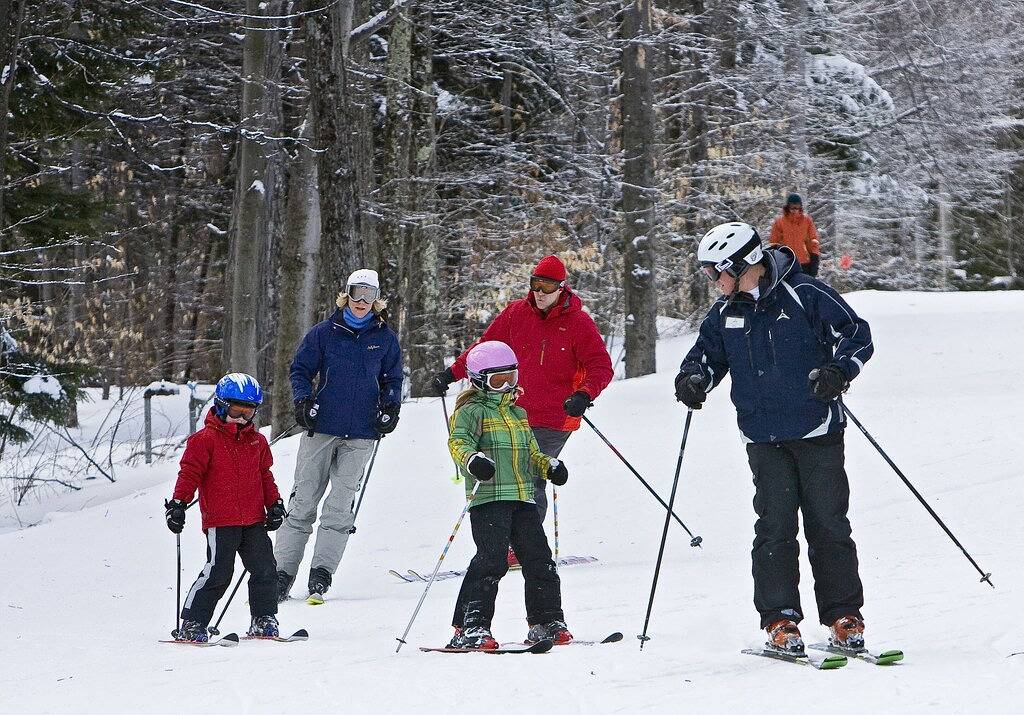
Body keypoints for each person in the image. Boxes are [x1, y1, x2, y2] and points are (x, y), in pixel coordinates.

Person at [675, 222, 873, 655]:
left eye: (715, 272)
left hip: (816, 430)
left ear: (741, 263)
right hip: (764, 438)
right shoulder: (726, 311)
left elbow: (856, 335)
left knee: (829, 525)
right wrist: (692, 379)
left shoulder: (804, 293)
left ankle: (843, 616)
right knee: (774, 530)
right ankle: (780, 620)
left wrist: (839, 371)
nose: (713, 281)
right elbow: (705, 356)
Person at [431, 255, 613, 566]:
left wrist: (583, 395)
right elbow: (484, 349)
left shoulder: (578, 323)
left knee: (531, 475)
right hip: (512, 412)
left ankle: (524, 546)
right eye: (535, 285)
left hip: (556, 415)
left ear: (561, 288)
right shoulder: (517, 313)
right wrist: (451, 374)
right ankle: (503, 542)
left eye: (547, 287)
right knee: (503, 474)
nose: (540, 293)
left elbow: (601, 366)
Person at [275, 268, 403, 604]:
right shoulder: (324, 333)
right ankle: (281, 574)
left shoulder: (385, 338)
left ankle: (321, 574)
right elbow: (300, 370)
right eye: (356, 293)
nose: (362, 302)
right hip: (322, 427)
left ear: (377, 300)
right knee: (302, 503)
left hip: (362, 433)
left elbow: (393, 380)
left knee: (340, 507)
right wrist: (303, 400)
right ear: (345, 294)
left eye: (369, 295)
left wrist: (390, 409)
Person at [446, 340, 572, 649]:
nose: (506, 386)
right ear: (479, 381)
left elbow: (531, 455)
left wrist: (549, 466)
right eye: (497, 380)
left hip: (522, 497)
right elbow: (458, 443)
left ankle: (546, 621)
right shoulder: (471, 412)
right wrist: (473, 461)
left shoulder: (518, 414)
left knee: (539, 559)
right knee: (492, 560)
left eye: (511, 378)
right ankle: (469, 626)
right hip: (489, 498)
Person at [164, 373, 287, 642]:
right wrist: (178, 504)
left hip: (254, 519)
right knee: (219, 572)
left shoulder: (258, 442)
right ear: (221, 405)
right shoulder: (204, 440)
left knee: (265, 568)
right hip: (221, 521)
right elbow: (189, 473)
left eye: (249, 412)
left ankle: (263, 617)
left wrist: (274, 504)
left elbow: (264, 475)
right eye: (236, 411)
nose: (242, 419)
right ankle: (193, 622)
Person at [769, 193, 821, 276]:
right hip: (787, 264)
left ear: (800, 207)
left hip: (805, 263)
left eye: (797, 207)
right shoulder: (779, 222)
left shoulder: (807, 221)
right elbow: (774, 243)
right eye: (792, 207)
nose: (795, 209)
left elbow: (813, 240)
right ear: (788, 207)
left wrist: (815, 258)